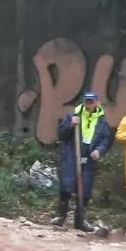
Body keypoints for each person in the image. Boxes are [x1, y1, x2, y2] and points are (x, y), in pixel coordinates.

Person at [53, 91, 111, 231]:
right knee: (67, 186)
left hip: (89, 158)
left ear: (97, 102)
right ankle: (61, 217)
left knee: (84, 189)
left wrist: (99, 150)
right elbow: (61, 134)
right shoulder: (73, 115)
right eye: (87, 101)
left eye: (91, 101)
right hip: (72, 155)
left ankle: (80, 221)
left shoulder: (102, 120)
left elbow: (105, 139)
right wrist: (71, 125)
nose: (89, 104)